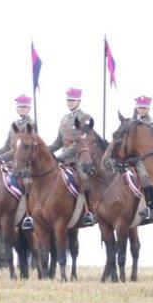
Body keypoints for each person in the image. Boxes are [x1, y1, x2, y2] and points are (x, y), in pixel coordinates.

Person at [47, 87, 95, 227]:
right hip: (64, 160)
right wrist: (45, 151)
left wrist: (62, 156)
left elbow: (81, 141)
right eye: (69, 100)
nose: (71, 102)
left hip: (79, 158)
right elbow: (58, 142)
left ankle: (89, 211)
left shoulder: (85, 118)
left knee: (84, 178)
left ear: (79, 100)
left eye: (73, 100)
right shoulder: (64, 119)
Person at [130, 95, 153, 222]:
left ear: (148, 109)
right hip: (131, 157)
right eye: (139, 108)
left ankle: (150, 207)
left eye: (144, 108)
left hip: (145, 157)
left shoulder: (151, 124)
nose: (141, 110)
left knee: (144, 176)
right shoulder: (133, 122)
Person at [0, 94, 34, 162]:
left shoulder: (31, 124)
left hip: (24, 164)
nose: (22, 109)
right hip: (11, 162)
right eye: (20, 107)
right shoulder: (14, 124)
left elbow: (23, 149)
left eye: (25, 107)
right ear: (17, 108)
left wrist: (2, 157)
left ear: (29, 108)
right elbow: (6, 147)